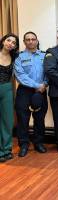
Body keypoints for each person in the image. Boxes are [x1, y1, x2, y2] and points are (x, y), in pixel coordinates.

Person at [14, 31, 48, 157]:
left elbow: (48, 72)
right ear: (24, 42)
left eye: (33, 39)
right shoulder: (18, 57)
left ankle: (38, 143)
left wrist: (44, 84)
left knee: (39, 118)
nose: (30, 41)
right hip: (24, 91)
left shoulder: (45, 55)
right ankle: (23, 144)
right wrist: (37, 85)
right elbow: (20, 75)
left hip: (41, 91)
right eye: (27, 39)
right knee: (23, 119)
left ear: (37, 41)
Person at [0, 33, 19, 163]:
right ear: (3, 41)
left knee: (7, 121)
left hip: (6, 89)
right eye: (8, 40)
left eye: (13, 42)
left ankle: (6, 150)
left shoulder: (15, 56)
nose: (10, 43)